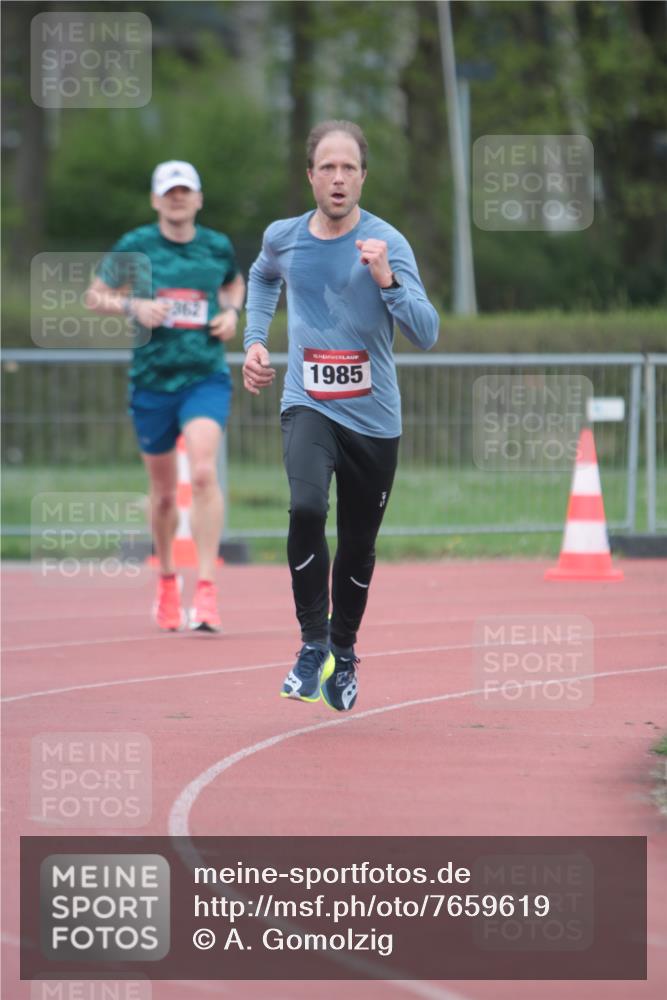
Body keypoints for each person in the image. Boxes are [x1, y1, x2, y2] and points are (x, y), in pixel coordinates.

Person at [243, 120, 439, 711]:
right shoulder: (284, 237)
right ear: (310, 176)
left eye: (348, 168)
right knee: (305, 507)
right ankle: (311, 645)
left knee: (357, 545)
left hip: (374, 422)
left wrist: (387, 280)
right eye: (326, 167)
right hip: (309, 402)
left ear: (362, 178)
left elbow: (425, 333)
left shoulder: (389, 242)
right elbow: (261, 275)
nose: (337, 177)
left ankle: (344, 652)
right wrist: (255, 340)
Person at [86, 160, 245, 632]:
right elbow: (96, 295)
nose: (178, 199)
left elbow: (233, 282)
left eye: (186, 191)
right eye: (169, 192)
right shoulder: (137, 246)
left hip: (204, 376)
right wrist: (134, 304)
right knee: (160, 498)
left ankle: (208, 588)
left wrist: (232, 313)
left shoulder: (216, 246)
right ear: (157, 200)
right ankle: (167, 580)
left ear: (198, 199)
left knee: (201, 472)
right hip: (152, 382)